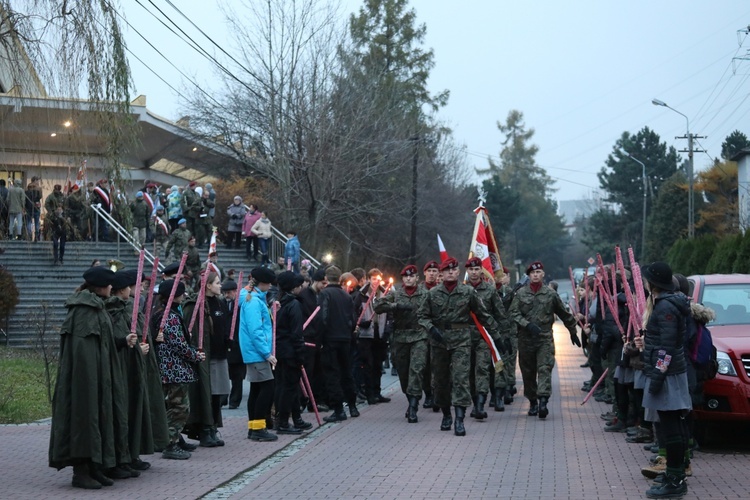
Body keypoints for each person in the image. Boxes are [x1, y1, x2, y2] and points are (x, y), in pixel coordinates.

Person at [48, 266, 134, 489]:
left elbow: (104, 344)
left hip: (100, 376)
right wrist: (93, 381)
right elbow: (83, 355)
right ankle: (81, 471)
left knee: (98, 419)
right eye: (108, 285)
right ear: (100, 287)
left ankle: (95, 467)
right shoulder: (84, 311)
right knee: (85, 419)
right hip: (85, 381)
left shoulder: (97, 308)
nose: (111, 288)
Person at [417, 257, 501, 436]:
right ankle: (446, 414)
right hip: (439, 341)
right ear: (442, 273)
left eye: (453, 270)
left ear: (457, 272)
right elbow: (422, 316)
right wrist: (431, 329)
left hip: (462, 340)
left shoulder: (468, 292)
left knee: (461, 378)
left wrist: (497, 336)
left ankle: (459, 419)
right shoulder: (432, 294)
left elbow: (483, 315)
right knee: (440, 380)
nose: (450, 273)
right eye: (446, 270)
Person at [634, 262, 692, 499]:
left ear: (653, 284)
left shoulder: (665, 307)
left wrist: (657, 376)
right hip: (669, 372)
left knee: (671, 429)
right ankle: (672, 473)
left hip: (667, 374)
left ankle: (676, 478)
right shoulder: (666, 303)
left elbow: (666, 347)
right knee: (671, 427)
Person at [509, 261, 580, 419]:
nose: (535, 275)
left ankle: (543, 401)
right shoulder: (520, 294)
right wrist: (526, 325)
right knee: (528, 372)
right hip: (525, 339)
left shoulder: (550, 294)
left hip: (544, 338)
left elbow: (564, 313)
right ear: (528, 276)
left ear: (543, 275)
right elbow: (513, 313)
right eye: (532, 273)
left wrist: (573, 331)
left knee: (544, 368)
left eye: (538, 272)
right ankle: (533, 401)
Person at [152, 279, 206, 460]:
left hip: (173, 367)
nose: (183, 296)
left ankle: (175, 437)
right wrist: (195, 356)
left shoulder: (169, 313)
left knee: (176, 406)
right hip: (173, 368)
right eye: (181, 293)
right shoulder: (169, 316)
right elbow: (178, 345)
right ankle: (169, 442)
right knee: (179, 408)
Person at [374, 264, 428, 423]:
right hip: (400, 337)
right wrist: (395, 306)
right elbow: (377, 306)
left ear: (417, 278)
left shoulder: (425, 294)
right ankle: (410, 397)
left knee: (416, 370)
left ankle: (413, 406)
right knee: (403, 373)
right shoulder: (396, 294)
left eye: (412, 276)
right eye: (406, 276)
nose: (409, 278)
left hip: (419, 336)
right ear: (403, 279)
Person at [182, 271, 229, 448]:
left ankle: (213, 426)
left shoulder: (220, 302)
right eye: (217, 283)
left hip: (219, 354)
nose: (220, 286)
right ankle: (204, 429)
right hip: (204, 358)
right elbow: (190, 331)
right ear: (208, 285)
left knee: (218, 394)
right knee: (204, 394)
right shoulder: (195, 305)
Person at [464, 257, 511, 418]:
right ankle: (474, 400)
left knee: (482, 369)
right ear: (467, 271)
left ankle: (480, 405)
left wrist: (504, 337)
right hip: (464, 337)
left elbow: (500, 314)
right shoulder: (461, 290)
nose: (474, 272)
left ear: (481, 271)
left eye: (477, 269)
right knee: (469, 372)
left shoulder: (490, 290)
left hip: (486, 336)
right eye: (471, 269)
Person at [239, 267, 279, 441]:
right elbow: (256, 330)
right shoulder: (254, 302)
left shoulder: (254, 299)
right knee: (267, 387)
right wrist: (266, 353)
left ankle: (254, 426)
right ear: (261, 283)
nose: (270, 286)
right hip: (257, 352)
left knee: (257, 388)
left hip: (254, 352)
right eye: (268, 283)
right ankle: (258, 427)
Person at [317, 265, 360, 422]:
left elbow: (323, 317)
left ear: (326, 278)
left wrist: (319, 339)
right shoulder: (346, 295)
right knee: (346, 372)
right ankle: (353, 406)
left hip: (330, 339)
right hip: (345, 338)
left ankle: (338, 409)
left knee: (332, 374)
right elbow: (353, 318)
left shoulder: (325, 294)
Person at [273, 271, 312, 434]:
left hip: (280, 349)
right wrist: (300, 353)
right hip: (290, 351)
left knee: (290, 386)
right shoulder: (293, 305)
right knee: (288, 387)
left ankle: (296, 418)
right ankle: (283, 421)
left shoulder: (278, 302)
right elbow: (296, 333)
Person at [354, 268, 391, 405]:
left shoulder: (384, 293)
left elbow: (389, 313)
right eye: (374, 279)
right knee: (368, 364)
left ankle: (377, 391)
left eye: (378, 279)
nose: (376, 282)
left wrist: (387, 329)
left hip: (379, 334)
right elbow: (354, 312)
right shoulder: (361, 295)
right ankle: (369, 394)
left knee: (377, 364)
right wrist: (361, 322)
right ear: (369, 279)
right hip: (366, 335)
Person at [298, 268, 329, 412]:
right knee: (308, 372)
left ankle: (315, 400)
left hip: (318, 339)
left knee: (318, 372)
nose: (324, 285)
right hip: (308, 338)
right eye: (323, 282)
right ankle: (304, 400)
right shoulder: (305, 295)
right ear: (316, 281)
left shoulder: (321, 295)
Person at [223, 280, 246, 409]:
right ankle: (223, 398)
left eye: (229, 292)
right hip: (226, 344)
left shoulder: (241, 305)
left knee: (237, 376)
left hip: (238, 344)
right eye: (225, 293)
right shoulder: (222, 305)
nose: (227, 295)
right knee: (225, 374)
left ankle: (234, 400)